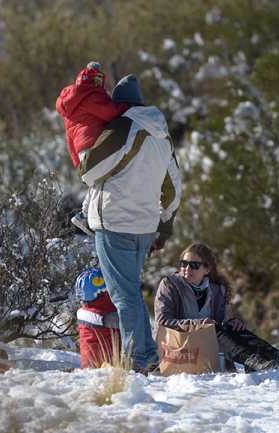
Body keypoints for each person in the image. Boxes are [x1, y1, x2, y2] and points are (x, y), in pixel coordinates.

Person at [79, 74, 182, 373]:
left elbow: (91, 170)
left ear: (118, 104)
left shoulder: (123, 126)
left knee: (124, 295)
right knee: (130, 292)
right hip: (145, 226)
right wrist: (164, 227)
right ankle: (142, 355)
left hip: (115, 222)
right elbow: (174, 188)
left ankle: (141, 358)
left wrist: (86, 148)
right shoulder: (162, 135)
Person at [154, 242, 279, 371]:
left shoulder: (215, 289)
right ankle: (252, 360)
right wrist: (197, 324)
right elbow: (163, 321)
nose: (187, 269)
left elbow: (219, 326)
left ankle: (277, 357)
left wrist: (229, 323)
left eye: (194, 265)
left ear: (207, 269)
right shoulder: (170, 285)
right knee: (214, 328)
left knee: (232, 328)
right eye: (184, 264)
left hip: (205, 344)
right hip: (177, 345)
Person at [56, 61, 131, 236]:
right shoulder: (90, 96)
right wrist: (128, 107)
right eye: (96, 79)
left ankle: (84, 214)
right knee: (107, 179)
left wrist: (78, 164)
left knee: (96, 182)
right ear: (89, 79)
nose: (99, 84)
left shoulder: (71, 103)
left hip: (83, 150)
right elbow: (111, 112)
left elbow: (69, 138)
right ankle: (87, 215)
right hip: (95, 145)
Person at [74, 268, 121, 368]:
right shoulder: (104, 315)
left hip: (89, 363)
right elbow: (127, 322)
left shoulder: (85, 311)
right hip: (104, 365)